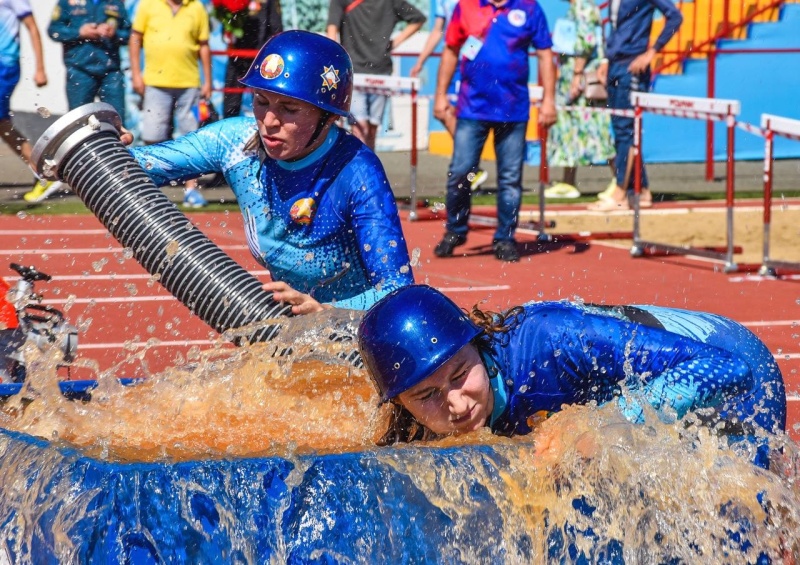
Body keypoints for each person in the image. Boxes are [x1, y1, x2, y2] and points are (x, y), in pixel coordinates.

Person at [129, 31, 414, 313]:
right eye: (261, 101)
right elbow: (134, 167)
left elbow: (398, 290)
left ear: (328, 116)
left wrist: (327, 312)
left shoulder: (357, 172)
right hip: (290, 326)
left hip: (359, 335)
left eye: (289, 109)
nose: (268, 122)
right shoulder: (234, 143)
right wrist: (106, 140)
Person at [358, 284, 786, 470]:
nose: (456, 404)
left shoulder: (553, 341)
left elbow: (730, 369)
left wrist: (605, 423)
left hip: (735, 372)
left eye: (459, 375)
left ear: (479, 345)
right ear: (401, 404)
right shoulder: (410, 425)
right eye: (427, 396)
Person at [432, 0, 557, 262]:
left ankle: (505, 238)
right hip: (471, 108)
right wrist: (440, 96)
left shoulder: (529, 8)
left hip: (513, 110)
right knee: (461, 172)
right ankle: (455, 230)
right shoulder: (465, 6)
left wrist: (548, 100)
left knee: (510, 180)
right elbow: (452, 49)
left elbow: (545, 53)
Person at [23, 0, 131, 203]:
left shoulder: (115, 2)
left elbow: (129, 33)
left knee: (118, 128)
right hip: (80, 70)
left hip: (111, 71)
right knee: (78, 129)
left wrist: (114, 33)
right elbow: (54, 31)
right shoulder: (68, 1)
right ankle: (80, 178)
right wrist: (79, 31)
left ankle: (119, 183)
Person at [590, 0, 682, 211]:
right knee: (623, 132)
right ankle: (642, 192)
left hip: (631, 66)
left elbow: (675, 17)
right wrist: (605, 60)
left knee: (625, 131)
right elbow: (616, 27)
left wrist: (651, 52)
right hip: (615, 64)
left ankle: (620, 193)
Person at [129, 0, 212, 208]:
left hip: (189, 84)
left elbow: (204, 46)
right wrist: (136, 75)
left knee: (191, 140)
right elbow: (135, 38)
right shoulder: (149, 5)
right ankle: (150, 191)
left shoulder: (196, 7)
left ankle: (191, 191)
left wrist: (208, 81)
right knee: (152, 137)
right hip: (155, 83)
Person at [409, 0, 488, 192]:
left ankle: (470, 168)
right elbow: (438, 30)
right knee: (442, 111)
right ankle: (471, 166)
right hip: (452, 63)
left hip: (473, 62)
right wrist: (420, 61)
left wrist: (468, 55)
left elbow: (485, 25)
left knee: (468, 117)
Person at [326, 0, 426, 150]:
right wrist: (393, 44)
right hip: (359, 72)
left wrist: (394, 43)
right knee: (361, 128)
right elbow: (418, 19)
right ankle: (359, 168)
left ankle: (367, 169)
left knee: (370, 129)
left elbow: (331, 32)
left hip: (375, 71)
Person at [545, 0, 615, 200]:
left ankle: (620, 180)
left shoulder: (584, 7)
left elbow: (586, 42)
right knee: (570, 130)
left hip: (582, 81)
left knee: (597, 130)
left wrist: (576, 75)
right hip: (571, 79)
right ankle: (568, 182)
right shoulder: (577, 8)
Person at [0, 0, 58, 202]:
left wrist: (40, 68)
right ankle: (44, 172)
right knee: (2, 124)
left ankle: (44, 172)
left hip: (4, 64)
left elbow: (32, 27)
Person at [221, 0, 283, 119]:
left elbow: (275, 27)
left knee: (262, 101)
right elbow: (226, 23)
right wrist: (228, 32)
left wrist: (267, 54)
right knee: (231, 104)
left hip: (259, 57)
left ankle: (261, 134)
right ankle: (230, 133)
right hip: (237, 56)